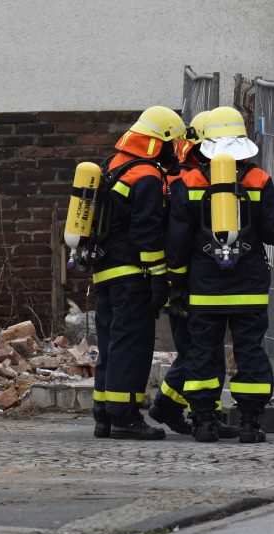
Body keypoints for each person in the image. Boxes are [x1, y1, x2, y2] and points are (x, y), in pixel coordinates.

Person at [167, 106, 274, 443]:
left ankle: (204, 421)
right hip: (249, 288)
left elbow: (178, 242)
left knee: (203, 352)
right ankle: (250, 423)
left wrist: (177, 283)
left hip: (204, 289)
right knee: (250, 351)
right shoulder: (259, 180)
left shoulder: (190, 181)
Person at [92, 106, 185, 439]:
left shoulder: (114, 164)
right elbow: (147, 232)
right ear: (158, 142)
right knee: (132, 345)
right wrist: (160, 277)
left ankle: (104, 415)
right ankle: (124, 418)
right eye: (171, 142)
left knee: (111, 344)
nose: (174, 149)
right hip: (131, 274)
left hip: (104, 272)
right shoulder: (146, 175)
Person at [148, 110, 240, 439]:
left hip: (186, 280)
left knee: (200, 352)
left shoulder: (187, 175)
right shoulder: (186, 179)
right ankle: (186, 410)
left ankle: (180, 408)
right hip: (187, 281)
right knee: (203, 352)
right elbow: (178, 239)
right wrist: (176, 284)